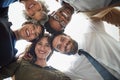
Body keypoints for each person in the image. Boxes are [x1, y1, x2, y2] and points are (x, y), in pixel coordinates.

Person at [50, 19, 120, 80]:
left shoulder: (92, 32)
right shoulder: (74, 69)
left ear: (68, 36)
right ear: (60, 52)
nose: (64, 44)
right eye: (59, 47)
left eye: (63, 39)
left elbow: (92, 11)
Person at [0, 33, 71, 80]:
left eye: (47, 45)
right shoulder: (21, 63)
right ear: (34, 46)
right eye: (40, 44)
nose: (42, 48)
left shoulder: (59, 76)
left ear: (51, 50)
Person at [44, 0, 120, 34]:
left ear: (53, 13)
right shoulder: (91, 15)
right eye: (62, 23)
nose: (62, 18)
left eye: (56, 17)